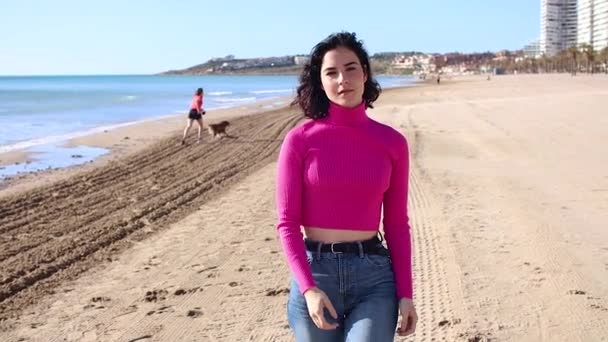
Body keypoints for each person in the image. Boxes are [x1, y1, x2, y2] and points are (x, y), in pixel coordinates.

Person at [275, 32, 417, 342]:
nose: (343, 79)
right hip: (315, 275)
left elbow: (396, 225)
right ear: (321, 81)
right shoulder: (300, 141)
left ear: (365, 73)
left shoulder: (392, 143)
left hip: (374, 278)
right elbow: (286, 224)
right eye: (331, 72)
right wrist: (308, 288)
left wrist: (406, 293)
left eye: (351, 68)